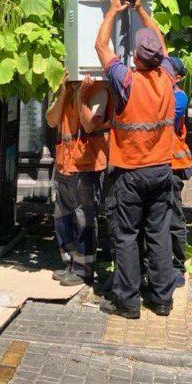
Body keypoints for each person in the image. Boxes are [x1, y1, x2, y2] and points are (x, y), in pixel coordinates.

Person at [95, 0, 176, 319]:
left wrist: (114, 10)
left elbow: (101, 47)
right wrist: (142, 10)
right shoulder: (168, 75)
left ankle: (127, 301)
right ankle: (162, 299)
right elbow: (162, 45)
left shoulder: (126, 80)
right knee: (158, 233)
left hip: (130, 173)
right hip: (161, 171)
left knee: (126, 236)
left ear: (137, 57)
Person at [46, 70, 109, 287]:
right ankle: (70, 263)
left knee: (84, 218)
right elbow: (52, 121)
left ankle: (84, 270)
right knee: (62, 216)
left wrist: (81, 96)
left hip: (87, 165)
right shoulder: (65, 89)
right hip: (64, 163)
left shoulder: (99, 89)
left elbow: (90, 124)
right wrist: (64, 93)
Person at [166, 56, 192, 287]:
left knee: (174, 217)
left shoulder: (179, 97)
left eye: (169, 69)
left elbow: (165, 120)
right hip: (157, 165)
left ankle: (177, 267)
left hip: (173, 167)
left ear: (178, 76)